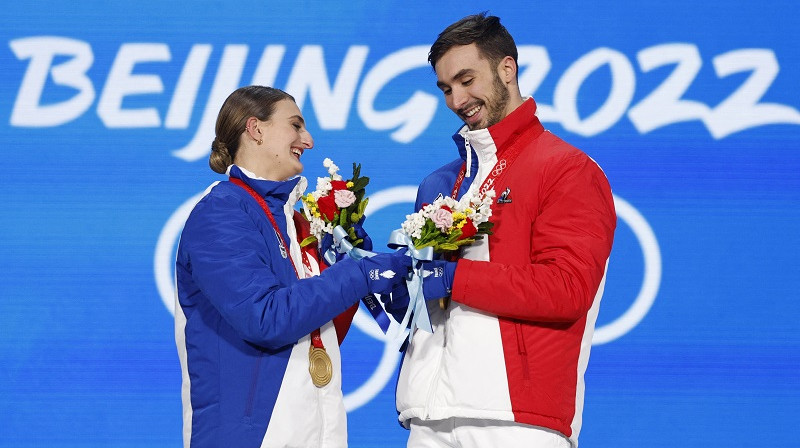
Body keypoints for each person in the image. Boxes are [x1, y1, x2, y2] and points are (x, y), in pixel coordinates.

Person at [383, 13, 617, 448]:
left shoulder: (567, 170)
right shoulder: (439, 184)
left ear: (507, 69)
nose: (456, 99)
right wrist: (372, 274)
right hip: (428, 415)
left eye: (466, 80)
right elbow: (424, 311)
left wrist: (453, 278)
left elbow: (566, 288)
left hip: (516, 420)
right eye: (446, 89)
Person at [174, 85, 411, 448]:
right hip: (250, 435)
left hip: (316, 428)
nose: (309, 140)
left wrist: (347, 265)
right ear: (256, 129)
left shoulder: (297, 223)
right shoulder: (220, 212)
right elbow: (266, 318)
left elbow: (319, 333)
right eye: (296, 126)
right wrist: (358, 274)